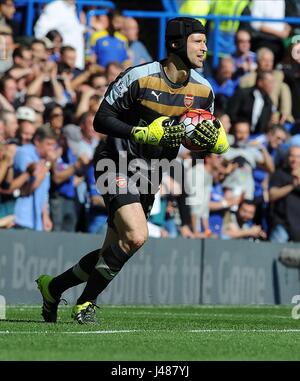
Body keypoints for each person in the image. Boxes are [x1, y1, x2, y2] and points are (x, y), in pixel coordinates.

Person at [36, 17, 229, 324]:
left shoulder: (204, 91)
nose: (205, 48)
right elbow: (101, 119)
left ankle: (53, 288)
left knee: (114, 250)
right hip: (115, 161)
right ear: (176, 44)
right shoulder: (140, 77)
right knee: (137, 236)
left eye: (205, 42)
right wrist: (139, 133)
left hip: (153, 171)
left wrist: (215, 144)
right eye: (198, 41)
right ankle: (85, 304)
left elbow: (195, 138)